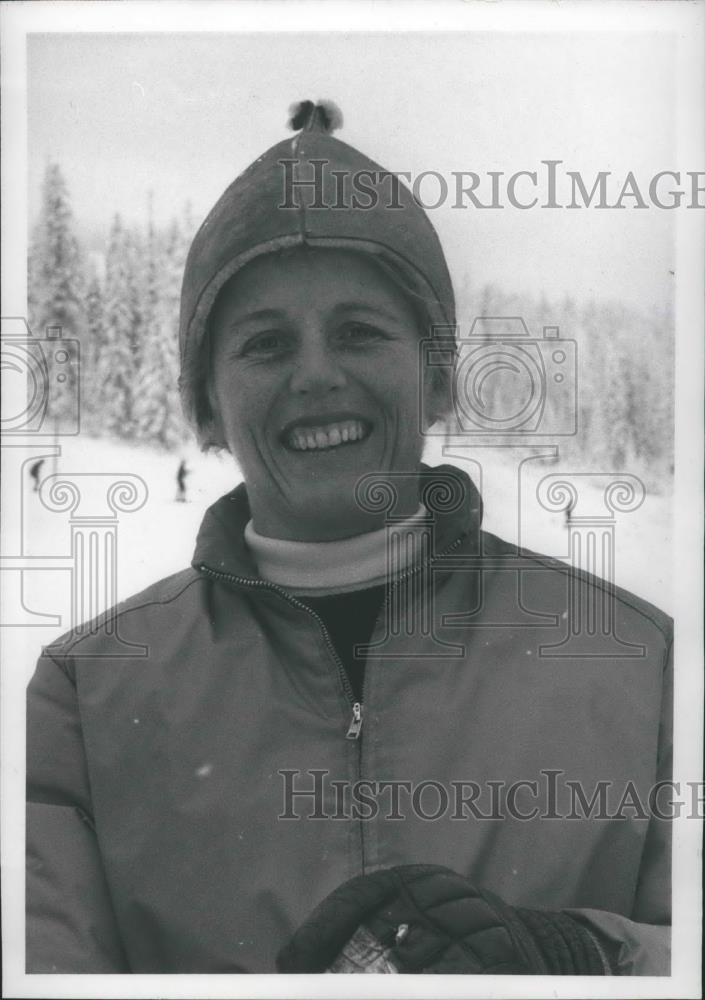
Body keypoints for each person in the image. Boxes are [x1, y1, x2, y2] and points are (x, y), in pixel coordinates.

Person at [26, 101, 672, 975]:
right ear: (207, 404)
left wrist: (587, 957)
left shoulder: (638, 664)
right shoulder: (85, 698)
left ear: (438, 376)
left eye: (361, 332)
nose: (317, 375)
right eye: (264, 344)